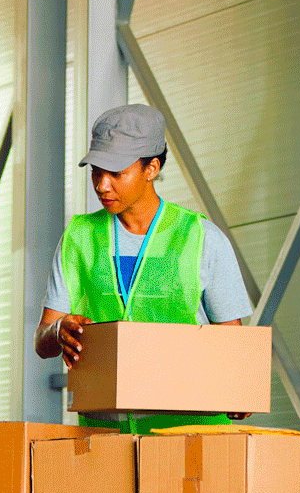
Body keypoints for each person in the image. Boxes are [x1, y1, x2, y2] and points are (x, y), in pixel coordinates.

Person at [35, 102, 252, 434]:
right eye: (96, 171)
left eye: (116, 173)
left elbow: (232, 347)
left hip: (188, 436)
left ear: (151, 168)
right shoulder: (78, 238)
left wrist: (238, 390)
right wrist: (59, 329)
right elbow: (42, 340)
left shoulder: (200, 238)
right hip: (105, 437)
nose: (101, 185)